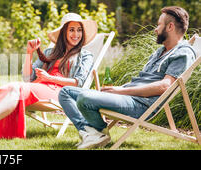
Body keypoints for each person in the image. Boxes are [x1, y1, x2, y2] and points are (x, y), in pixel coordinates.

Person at [58, 6, 196, 149]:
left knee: (85, 98)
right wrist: (120, 89)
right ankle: (91, 133)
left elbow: (164, 86)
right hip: (128, 95)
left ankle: (98, 132)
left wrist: (120, 91)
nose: (155, 29)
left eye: (159, 24)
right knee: (66, 92)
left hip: (140, 104)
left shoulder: (183, 53)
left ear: (170, 27)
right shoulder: (161, 51)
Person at [0, 13, 98, 141]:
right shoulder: (51, 52)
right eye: (71, 30)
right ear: (64, 32)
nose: (76, 34)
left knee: (16, 88)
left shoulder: (85, 56)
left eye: (79, 30)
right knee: (8, 88)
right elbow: (27, 78)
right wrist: (29, 53)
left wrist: (49, 78)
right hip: (40, 87)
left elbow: (77, 83)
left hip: (61, 93)